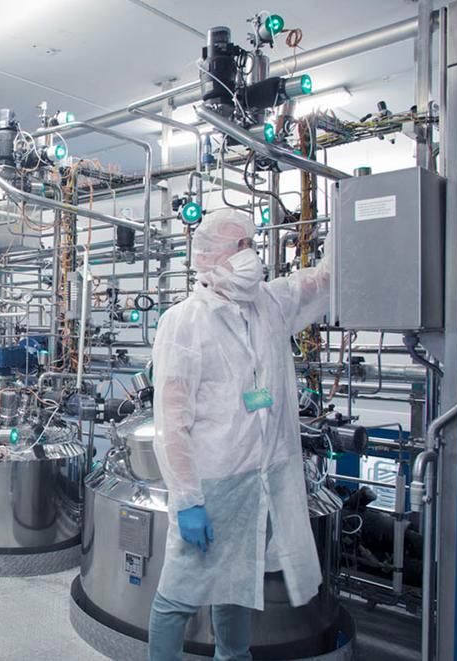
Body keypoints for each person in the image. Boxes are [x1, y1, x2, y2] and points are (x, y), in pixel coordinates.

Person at [148, 209, 332, 661]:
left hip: (262, 477)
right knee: (178, 596)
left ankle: (234, 656)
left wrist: (354, 219)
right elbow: (172, 421)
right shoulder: (184, 321)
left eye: (253, 244)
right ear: (210, 256)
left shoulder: (269, 304)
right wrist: (188, 500)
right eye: (240, 246)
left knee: (237, 584)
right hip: (211, 483)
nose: (251, 256)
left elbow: (321, 282)